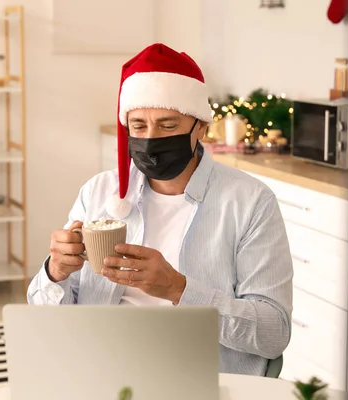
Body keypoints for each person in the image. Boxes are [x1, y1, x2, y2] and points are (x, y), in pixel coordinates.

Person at [27, 43, 293, 376]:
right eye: (138, 127)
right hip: (103, 372)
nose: (151, 139)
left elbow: (273, 333)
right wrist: (55, 272)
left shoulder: (250, 202)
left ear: (202, 126)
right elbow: (45, 317)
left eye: (168, 126)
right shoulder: (99, 192)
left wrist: (178, 289)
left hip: (200, 379)